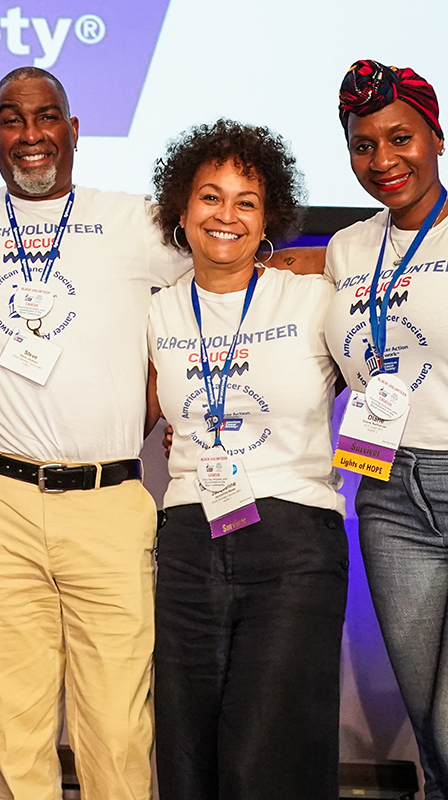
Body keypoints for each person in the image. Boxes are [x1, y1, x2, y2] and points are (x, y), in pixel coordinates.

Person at [0, 67, 323, 799]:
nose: (31, 135)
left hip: (109, 501)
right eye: (12, 119)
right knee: (16, 725)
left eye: (47, 117)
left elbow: (231, 260)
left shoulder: (136, 223)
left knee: (119, 726)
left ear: (73, 129)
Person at [147, 119, 346, 800]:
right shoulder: (158, 312)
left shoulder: (314, 298)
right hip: (186, 542)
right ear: (181, 207)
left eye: (245, 201)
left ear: (268, 219)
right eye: (210, 196)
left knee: (271, 754)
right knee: (186, 750)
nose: (225, 215)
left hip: (294, 543)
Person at [325, 59, 448, 800]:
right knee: (427, 705)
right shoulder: (347, 248)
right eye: (363, 144)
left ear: (435, 136)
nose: (383, 160)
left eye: (400, 138)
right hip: (386, 489)